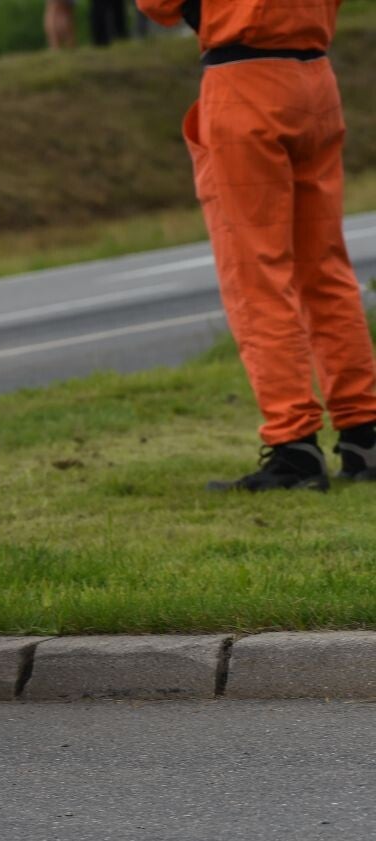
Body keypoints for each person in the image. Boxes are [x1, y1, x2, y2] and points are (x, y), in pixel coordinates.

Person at [136, 0, 376, 492]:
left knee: (257, 274)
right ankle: (364, 433)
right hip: (314, 77)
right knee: (325, 267)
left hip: (243, 80)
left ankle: (294, 447)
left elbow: (156, 5)